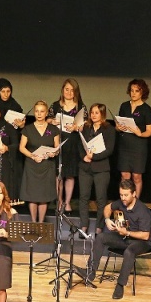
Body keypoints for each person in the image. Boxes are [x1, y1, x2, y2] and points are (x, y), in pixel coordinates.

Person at [90, 179, 151, 299]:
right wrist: (107, 220)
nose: (123, 198)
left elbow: (145, 235)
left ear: (134, 194)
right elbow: (107, 208)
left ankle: (120, 285)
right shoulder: (121, 203)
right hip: (125, 237)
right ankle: (90, 272)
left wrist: (127, 232)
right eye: (121, 195)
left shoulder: (142, 211)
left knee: (129, 252)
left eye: (126, 195)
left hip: (142, 242)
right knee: (101, 237)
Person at [47, 78, 87, 212]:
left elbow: (85, 125)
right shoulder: (55, 105)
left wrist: (76, 127)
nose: (69, 92)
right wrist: (52, 122)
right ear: (62, 90)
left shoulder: (80, 106)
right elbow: (47, 119)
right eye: (67, 89)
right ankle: (59, 201)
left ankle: (67, 202)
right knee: (58, 174)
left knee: (70, 174)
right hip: (58, 141)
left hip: (73, 143)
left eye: (72, 90)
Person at [19, 100, 60, 222]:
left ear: (46, 112)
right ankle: (33, 222)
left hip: (47, 166)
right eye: (37, 111)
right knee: (32, 196)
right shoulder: (28, 129)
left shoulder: (53, 129)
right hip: (32, 165)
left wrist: (54, 152)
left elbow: (57, 147)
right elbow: (21, 147)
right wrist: (32, 156)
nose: (39, 114)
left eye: (42, 111)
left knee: (43, 196)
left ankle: (41, 223)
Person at [78, 103, 116, 235]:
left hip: (101, 168)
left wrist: (93, 156)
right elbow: (79, 145)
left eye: (96, 113)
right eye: (92, 112)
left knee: (101, 199)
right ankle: (84, 226)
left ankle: (99, 227)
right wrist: (84, 157)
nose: (93, 115)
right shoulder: (86, 128)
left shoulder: (109, 129)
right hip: (85, 168)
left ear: (102, 114)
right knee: (83, 198)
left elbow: (109, 150)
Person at [116, 79, 151, 199]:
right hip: (124, 145)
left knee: (137, 176)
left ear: (142, 92)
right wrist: (118, 127)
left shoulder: (146, 109)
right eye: (131, 90)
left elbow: (149, 131)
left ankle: (135, 204)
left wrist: (140, 133)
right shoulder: (124, 106)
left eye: (136, 91)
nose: (133, 93)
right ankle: (125, 200)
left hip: (138, 147)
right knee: (125, 175)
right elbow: (118, 126)